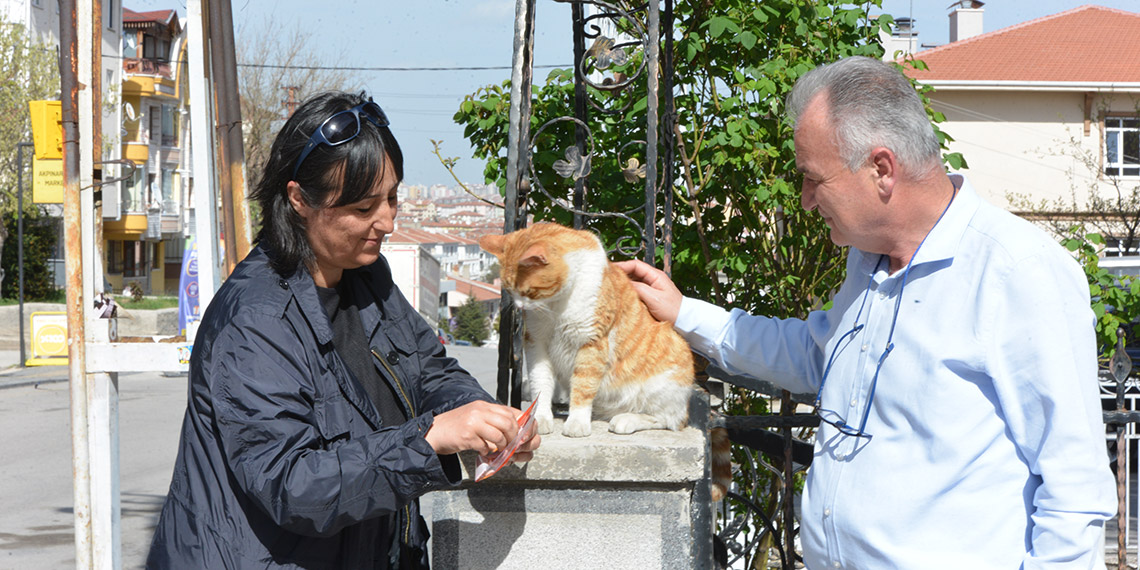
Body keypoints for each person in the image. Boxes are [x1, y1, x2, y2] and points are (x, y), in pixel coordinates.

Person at [619, 56, 1116, 568]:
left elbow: (1073, 487)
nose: (807, 200)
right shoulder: (868, 258)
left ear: (881, 169)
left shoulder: (1017, 271)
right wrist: (683, 312)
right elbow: (818, 357)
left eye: (813, 179)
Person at [147, 91, 539, 569]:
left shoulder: (365, 276)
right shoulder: (256, 322)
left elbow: (428, 370)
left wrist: (484, 421)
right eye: (363, 207)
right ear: (299, 201)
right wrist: (428, 441)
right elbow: (293, 485)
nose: (388, 221)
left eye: (392, 197)